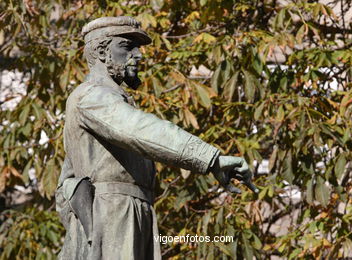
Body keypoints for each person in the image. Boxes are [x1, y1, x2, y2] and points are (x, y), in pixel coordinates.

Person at [55, 16, 258, 260]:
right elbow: (140, 130)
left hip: (131, 212)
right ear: (101, 51)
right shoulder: (90, 97)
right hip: (114, 214)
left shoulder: (110, 99)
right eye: (127, 46)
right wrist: (209, 158)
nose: (138, 55)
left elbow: (64, 183)